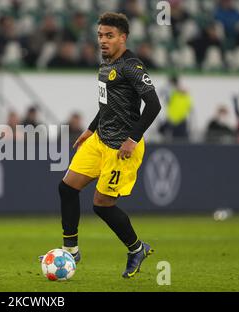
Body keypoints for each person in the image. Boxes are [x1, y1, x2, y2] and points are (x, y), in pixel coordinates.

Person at [40, 13, 161, 278]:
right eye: (100, 35)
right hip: (99, 140)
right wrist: (90, 130)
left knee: (101, 205)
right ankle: (70, 250)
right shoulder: (105, 64)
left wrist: (133, 138)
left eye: (109, 36)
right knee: (67, 187)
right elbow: (107, 104)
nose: (103, 41)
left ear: (123, 38)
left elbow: (153, 105)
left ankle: (136, 248)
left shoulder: (132, 66)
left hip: (122, 148)